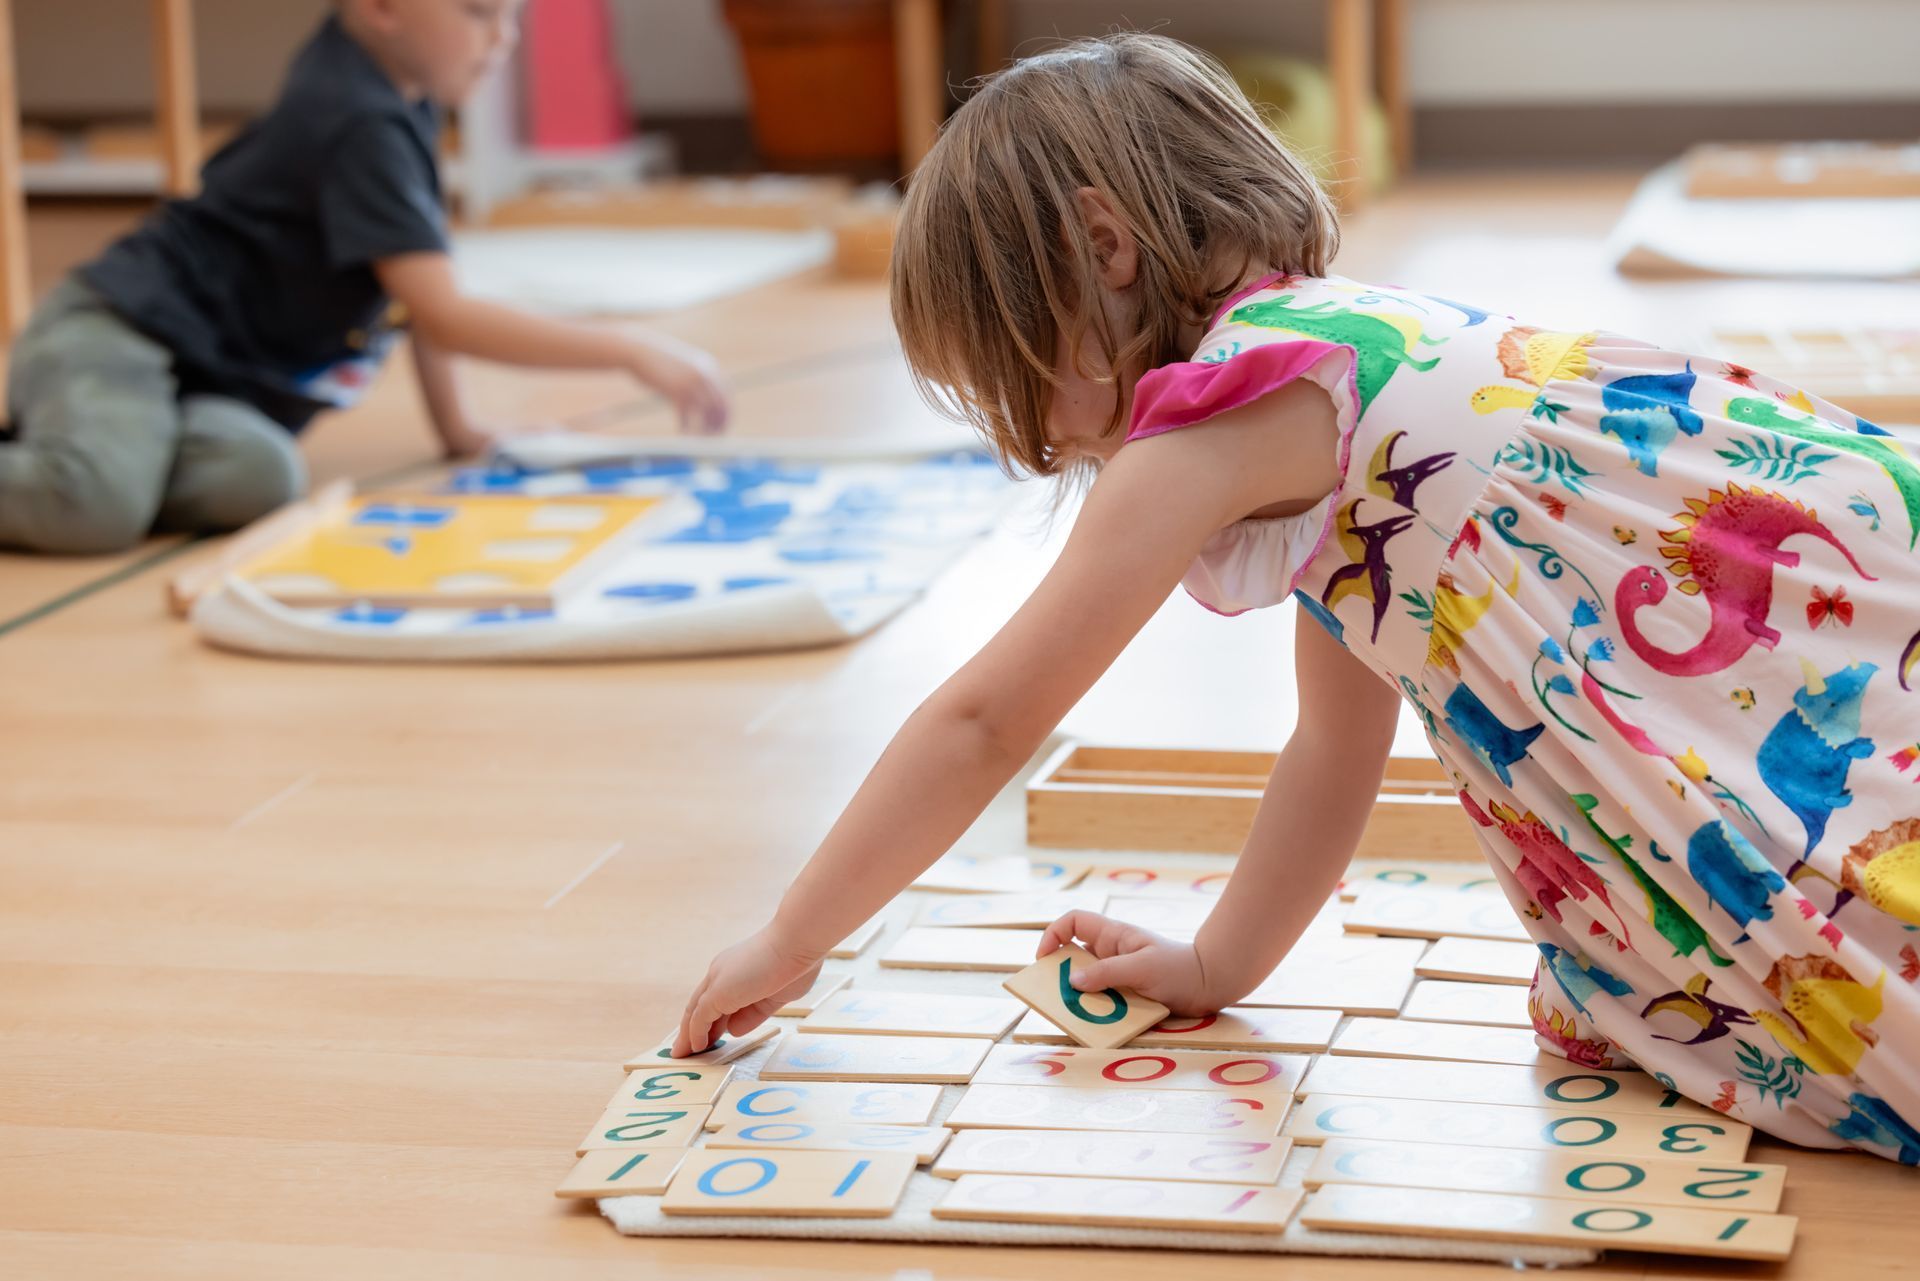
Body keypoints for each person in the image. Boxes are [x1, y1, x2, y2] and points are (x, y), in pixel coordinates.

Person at [673, 33, 1920, 1162]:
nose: (1050, 447)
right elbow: (1333, 747)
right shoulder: (1343, 373)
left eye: (1023, 382)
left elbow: (985, 723)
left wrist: (792, 938)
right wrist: (1216, 964)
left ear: (1104, 249)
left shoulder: (1212, 433)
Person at [0, 0, 726, 555]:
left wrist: (458, 427)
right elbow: (444, 313)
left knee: (259, 479)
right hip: (118, 329)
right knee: (97, 508)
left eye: (511, 16)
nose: (503, 39)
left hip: (202, 379)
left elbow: (415, 286)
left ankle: (87, 450)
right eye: (478, 13)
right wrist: (629, 349)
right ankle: (86, 464)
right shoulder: (357, 119)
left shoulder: (399, 93)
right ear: (382, 7)